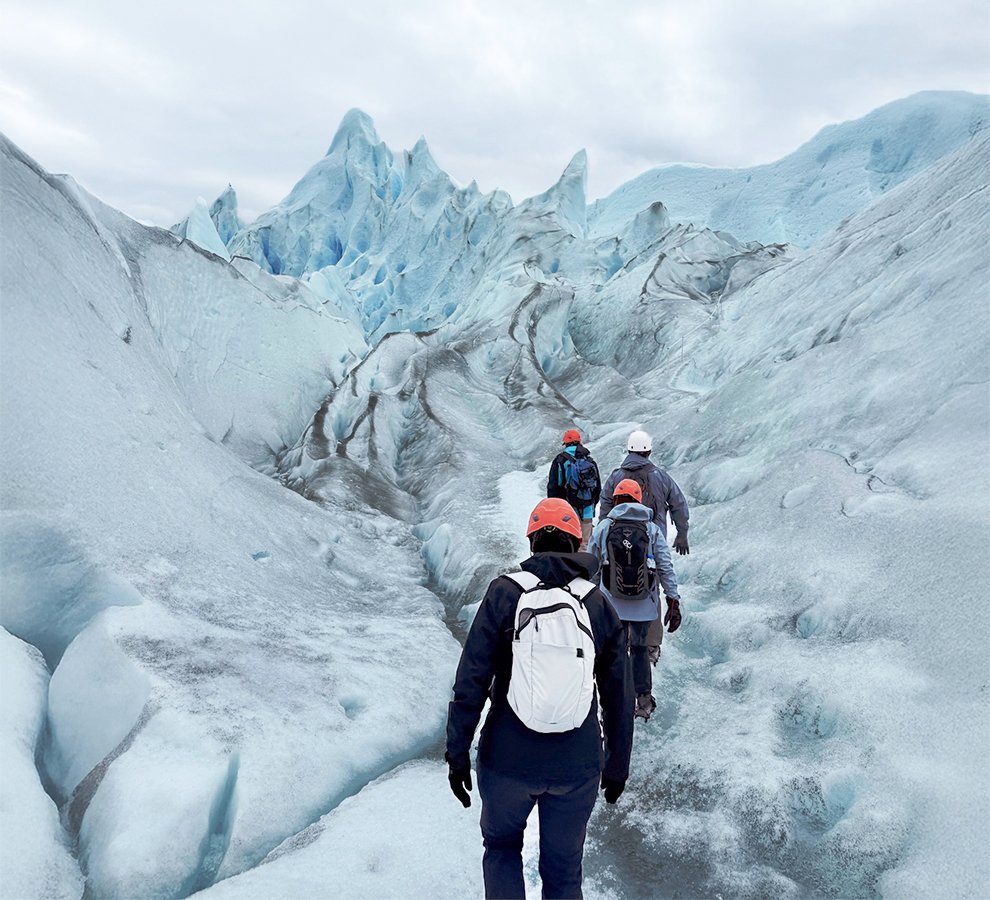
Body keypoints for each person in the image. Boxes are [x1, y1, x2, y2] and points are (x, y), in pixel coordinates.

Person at [445, 498, 633, 900]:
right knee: (564, 870)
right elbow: (619, 694)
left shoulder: (504, 593)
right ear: (577, 543)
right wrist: (617, 766)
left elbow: (472, 679)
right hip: (577, 765)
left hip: (506, 760)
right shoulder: (596, 604)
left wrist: (457, 752)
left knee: (501, 849)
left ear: (531, 541)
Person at [590, 478, 682, 721]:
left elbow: (592, 565)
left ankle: (615, 702)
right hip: (644, 606)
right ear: (639, 500)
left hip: (611, 604)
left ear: (616, 500)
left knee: (613, 651)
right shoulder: (651, 529)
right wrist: (673, 599)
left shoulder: (604, 527)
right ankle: (643, 701)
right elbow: (664, 566)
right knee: (639, 649)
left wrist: (589, 596)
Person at [599, 430, 690, 555]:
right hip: (655, 540)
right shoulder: (661, 476)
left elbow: (605, 505)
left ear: (629, 451)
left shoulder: (615, 476)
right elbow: (678, 504)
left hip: (620, 540)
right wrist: (682, 534)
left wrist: (603, 534)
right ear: (649, 452)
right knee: (658, 566)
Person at [546, 428, 601, 551]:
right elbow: (597, 488)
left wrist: (554, 508)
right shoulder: (590, 460)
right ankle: (585, 560)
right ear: (579, 442)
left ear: (565, 443)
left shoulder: (560, 460)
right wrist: (591, 505)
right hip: (587, 508)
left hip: (567, 509)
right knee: (585, 544)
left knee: (569, 542)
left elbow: (553, 486)